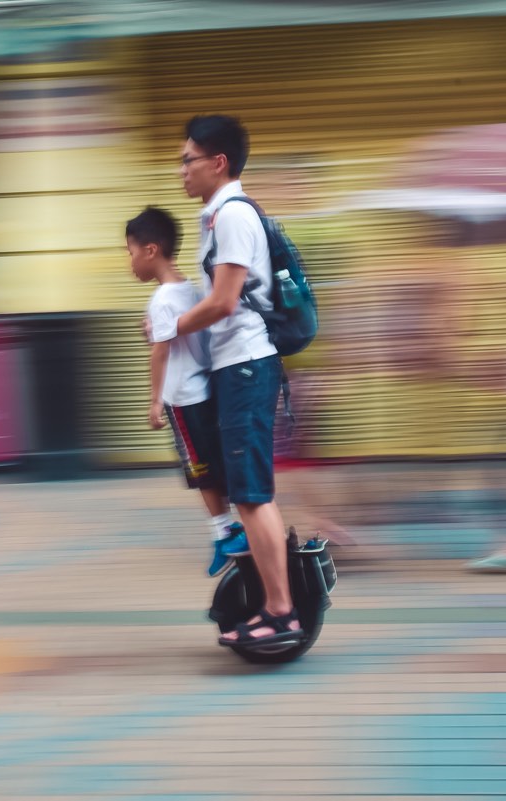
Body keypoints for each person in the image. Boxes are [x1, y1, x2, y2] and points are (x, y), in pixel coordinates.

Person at [173, 115, 301, 647]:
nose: (181, 170)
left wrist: (170, 326)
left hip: (246, 365)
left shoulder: (231, 216)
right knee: (244, 491)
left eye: (188, 160)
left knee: (252, 494)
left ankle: (281, 613)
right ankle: (267, 600)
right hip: (237, 366)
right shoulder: (219, 218)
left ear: (217, 162)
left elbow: (225, 302)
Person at [126, 206, 250, 577]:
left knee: (200, 471)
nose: (129, 262)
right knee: (213, 466)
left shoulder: (161, 300)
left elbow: (160, 353)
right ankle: (230, 530)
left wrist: (154, 401)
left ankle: (223, 535)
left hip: (182, 399)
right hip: (206, 391)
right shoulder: (192, 291)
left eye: (130, 252)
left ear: (151, 250)